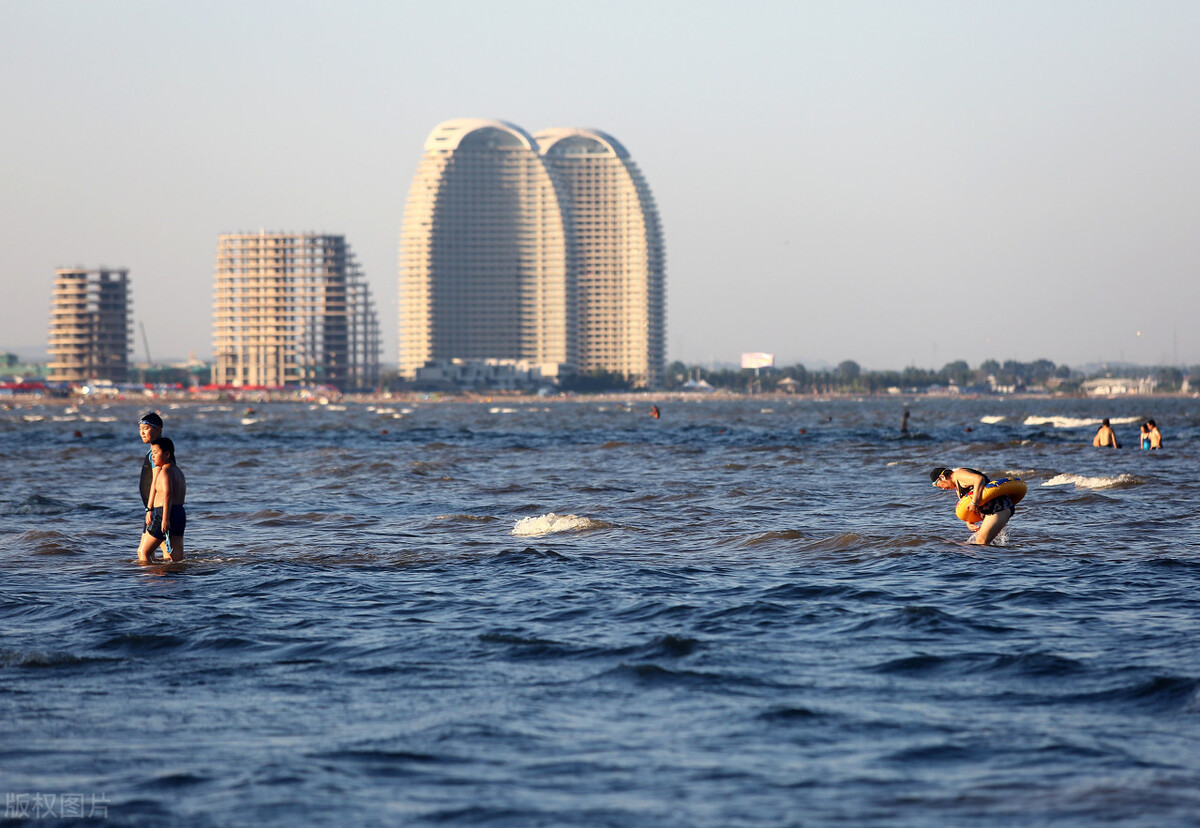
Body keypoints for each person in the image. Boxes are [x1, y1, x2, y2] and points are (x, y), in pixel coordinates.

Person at [930, 466, 1014, 545]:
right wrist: (969, 522)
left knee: (981, 542)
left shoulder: (959, 474)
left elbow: (979, 479)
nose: (943, 489)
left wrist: (974, 502)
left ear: (942, 477)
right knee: (977, 545)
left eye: (939, 485)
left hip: (1000, 507)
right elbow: (966, 506)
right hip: (991, 512)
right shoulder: (958, 489)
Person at [138, 437, 186, 563]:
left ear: (167, 454)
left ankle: (150, 575)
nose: (152, 456)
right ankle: (175, 575)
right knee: (176, 557)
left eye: (155, 453)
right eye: (152, 453)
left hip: (164, 513)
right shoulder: (178, 472)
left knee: (143, 552)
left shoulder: (165, 471)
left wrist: (165, 519)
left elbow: (168, 495)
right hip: (179, 513)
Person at [138, 411, 164, 509]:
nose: (142, 433)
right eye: (140, 429)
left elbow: (156, 481)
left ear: (158, 430)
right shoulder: (154, 451)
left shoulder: (157, 453)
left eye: (146, 428)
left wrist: (149, 509)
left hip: (157, 507)